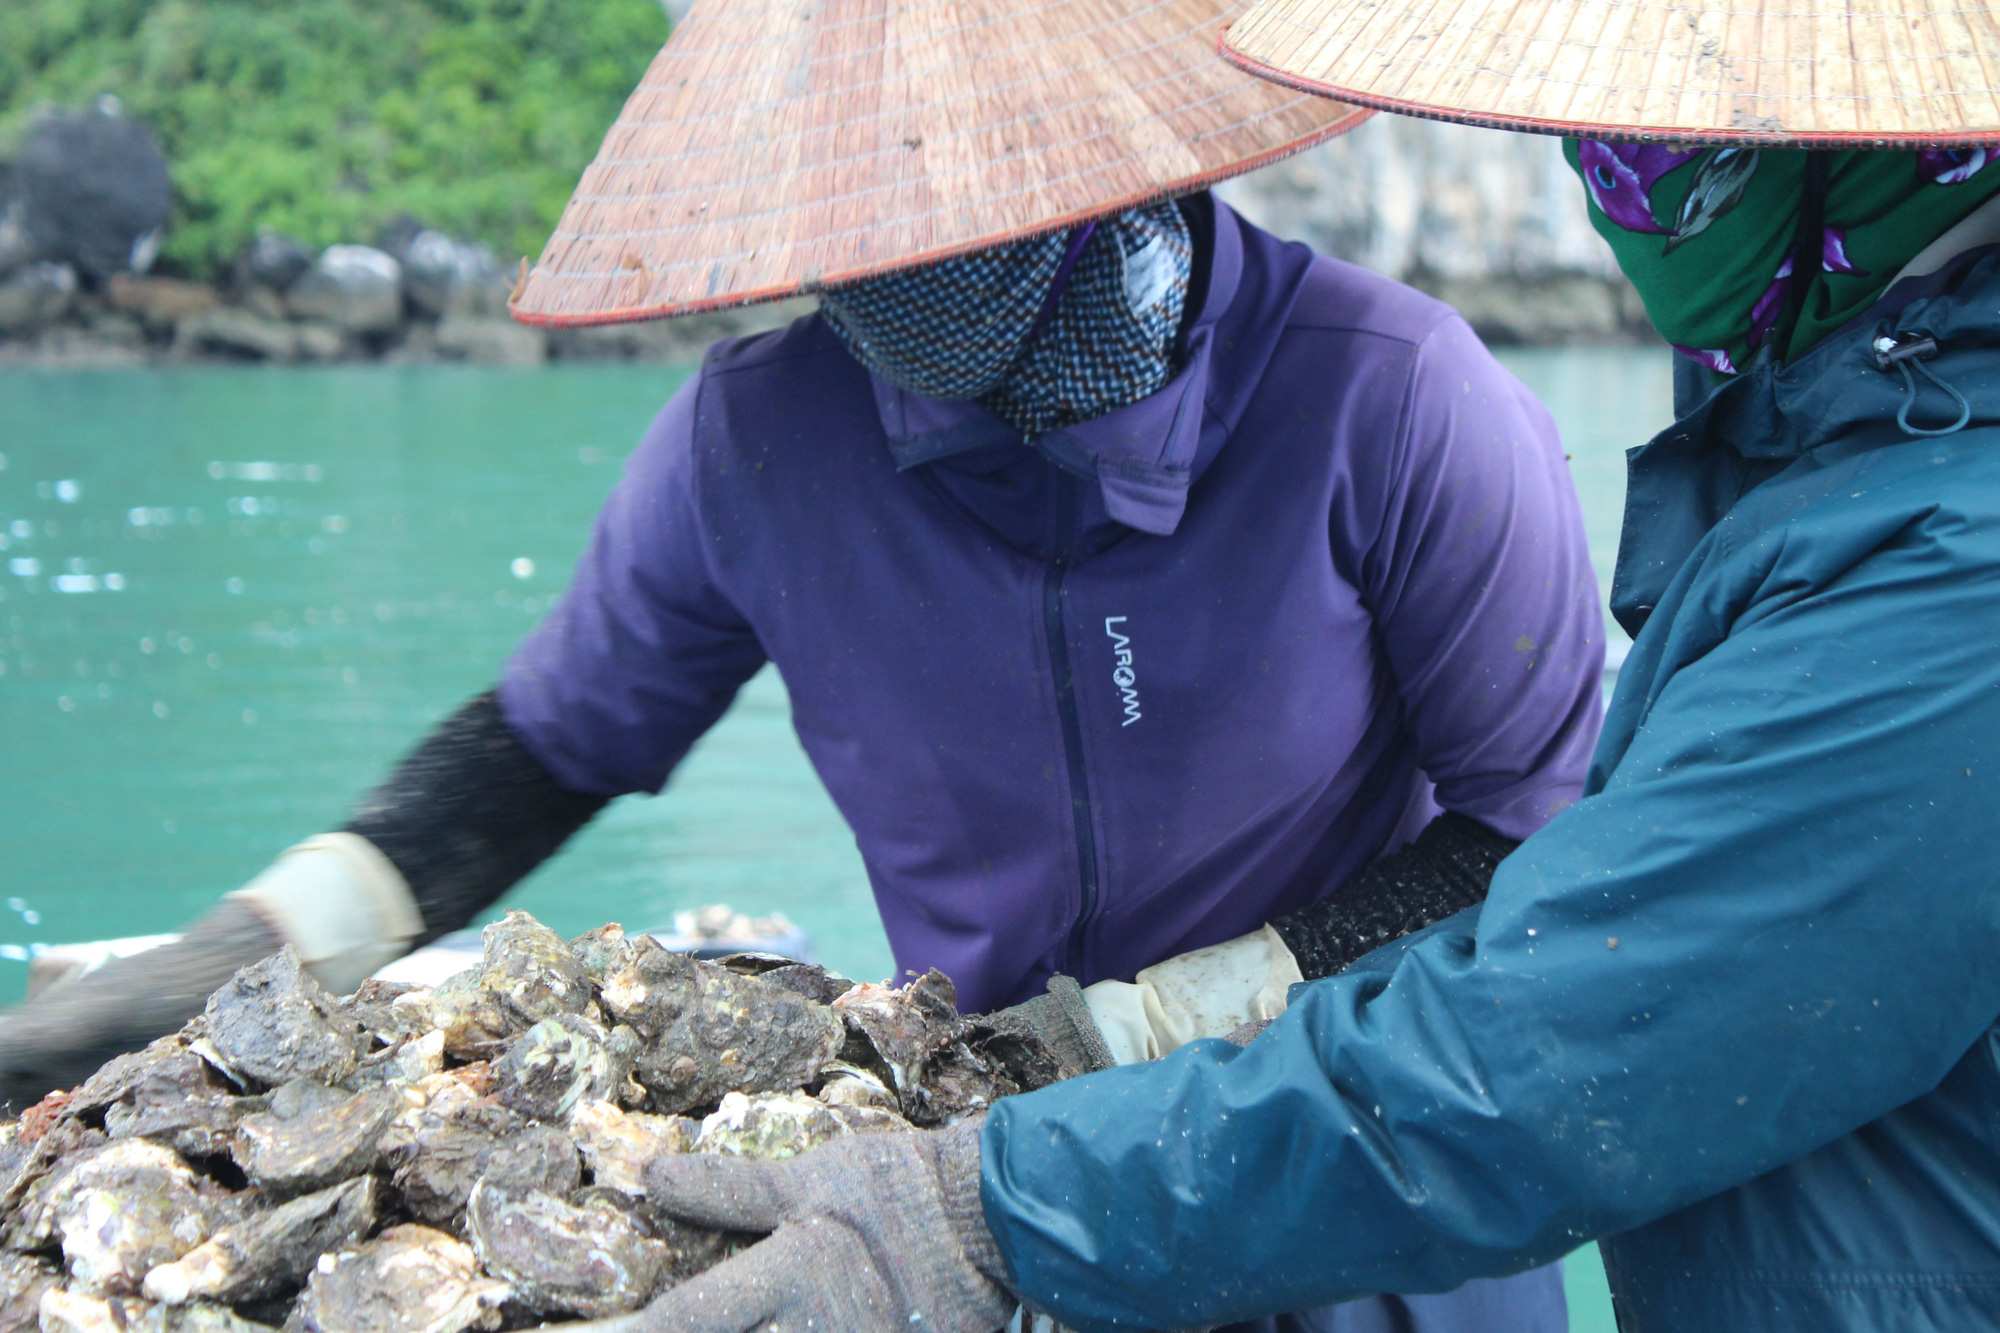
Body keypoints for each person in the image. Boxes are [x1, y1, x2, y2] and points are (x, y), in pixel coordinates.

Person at [3, 3, 1605, 1330]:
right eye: (864, 249)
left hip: (1360, 1183)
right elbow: (548, 746)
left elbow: (1540, 847)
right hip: (980, 1187)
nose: (886, 290)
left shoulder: (1393, 403)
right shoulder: (768, 439)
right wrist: (268, 937)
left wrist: (1155, 1021)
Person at [596, 5, 2000, 1333]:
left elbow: (1545, 1044)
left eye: (1676, 151)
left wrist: (992, 1200)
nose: (1617, 184)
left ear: (1884, 149)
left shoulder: (1937, 561)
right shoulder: (1859, 446)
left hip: (1333, 1203)